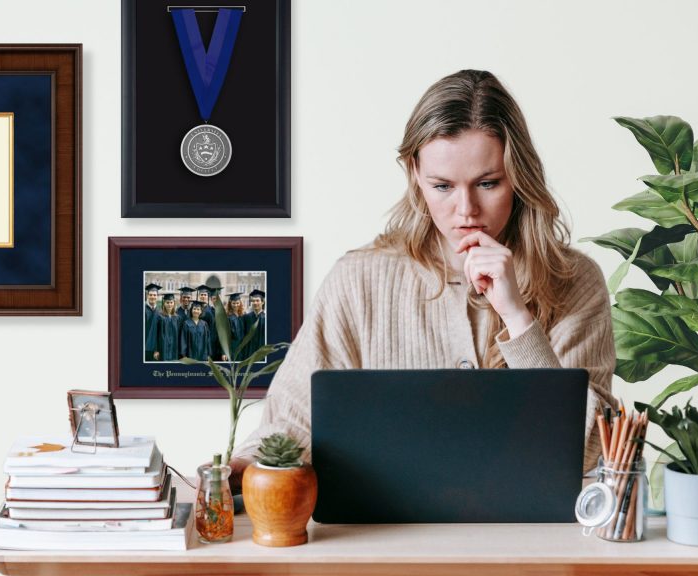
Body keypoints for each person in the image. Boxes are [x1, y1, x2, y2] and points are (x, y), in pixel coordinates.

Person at [228, 69, 615, 489]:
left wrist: (517, 317)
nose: (466, 209)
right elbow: (292, 419)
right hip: (385, 539)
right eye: (442, 185)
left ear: (519, 176)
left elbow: (592, 448)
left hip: (530, 539)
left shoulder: (574, 280)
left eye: (488, 183)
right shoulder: (358, 280)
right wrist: (232, 474)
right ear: (415, 173)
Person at [147, 293, 183, 361]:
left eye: (171, 302)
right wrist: (155, 350)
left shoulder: (178, 318)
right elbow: (154, 334)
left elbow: (180, 335)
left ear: (174, 303)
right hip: (162, 348)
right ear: (164, 303)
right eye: (167, 302)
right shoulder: (158, 316)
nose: (169, 304)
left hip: (174, 349)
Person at [241, 289, 266, 360]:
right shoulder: (246, 317)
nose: (255, 303)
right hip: (248, 352)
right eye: (253, 301)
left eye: (257, 300)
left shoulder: (266, 318)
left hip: (261, 352)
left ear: (262, 302)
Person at [224, 292, 247, 361]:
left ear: (240, 303)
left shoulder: (243, 316)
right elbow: (224, 335)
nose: (235, 305)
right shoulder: (227, 317)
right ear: (230, 304)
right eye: (233, 303)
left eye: (237, 303)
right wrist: (224, 352)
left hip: (242, 346)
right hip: (232, 347)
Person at [144, 283, 162, 362]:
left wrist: (157, 349)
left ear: (157, 297)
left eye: (154, 295)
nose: (152, 297)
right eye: (151, 295)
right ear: (147, 295)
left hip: (155, 348)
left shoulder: (160, 312)